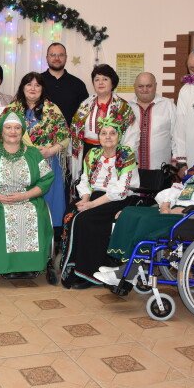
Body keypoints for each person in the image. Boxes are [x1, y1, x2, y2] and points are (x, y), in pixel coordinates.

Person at [94, 119, 194, 286]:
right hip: (177, 210)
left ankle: (128, 273)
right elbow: (181, 188)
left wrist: (184, 211)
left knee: (146, 220)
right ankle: (127, 265)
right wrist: (166, 203)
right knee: (130, 212)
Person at [0, 111, 54, 277]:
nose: (13, 131)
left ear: (22, 131)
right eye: (8, 127)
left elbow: (46, 179)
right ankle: (3, 266)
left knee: (36, 214)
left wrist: (26, 195)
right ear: (1, 131)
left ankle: (30, 266)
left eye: (17, 128)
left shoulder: (33, 153)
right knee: (1, 216)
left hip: (28, 198)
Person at [61, 116, 140, 289]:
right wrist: (85, 199)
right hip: (94, 196)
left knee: (85, 220)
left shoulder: (125, 154)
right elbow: (84, 180)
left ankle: (89, 273)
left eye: (112, 133)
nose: (108, 137)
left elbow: (121, 190)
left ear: (119, 136)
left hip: (118, 199)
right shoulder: (93, 154)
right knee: (70, 214)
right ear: (99, 137)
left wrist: (91, 205)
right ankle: (74, 266)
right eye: (104, 133)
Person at [0, 73, 70, 237]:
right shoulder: (12, 109)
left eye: (37, 85)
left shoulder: (52, 109)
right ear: (22, 87)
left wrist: (50, 151)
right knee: (22, 210)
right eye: (29, 84)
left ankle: (48, 246)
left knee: (48, 208)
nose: (33, 88)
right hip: (18, 165)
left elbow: (66, 137)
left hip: (47, 164)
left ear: (42, 89)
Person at [71, 64, 137, 183]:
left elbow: (132, 135)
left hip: (113, 153)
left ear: (113, 83)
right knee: (87, 185)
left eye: (105, 79)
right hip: (88, 152)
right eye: (97, 79)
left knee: (109, 184)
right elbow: (75, 130)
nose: (100, 82)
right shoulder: (85, 105)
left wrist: (122, 157)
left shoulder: (123, 107)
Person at [128, 72, 177, 170]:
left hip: (161, 170)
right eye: (140, 86)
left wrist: (176, 161)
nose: (145, 90)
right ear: (134, 87)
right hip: (132, 170)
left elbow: (177, 136)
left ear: (155, 86)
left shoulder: (168, 105)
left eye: (149, 86)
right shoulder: (127, 108)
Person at [40, 43, 88, 126]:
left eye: (61, 55)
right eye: (53, 55)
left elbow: (84, 113)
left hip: (70, 133)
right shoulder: (36, 82)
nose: (57, 58)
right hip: (38, 133)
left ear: (66, 58)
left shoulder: (78, 84)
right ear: (47, 58)